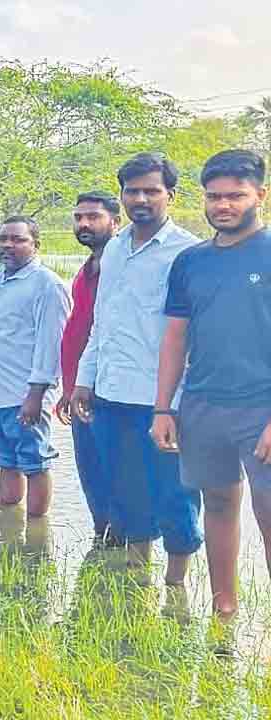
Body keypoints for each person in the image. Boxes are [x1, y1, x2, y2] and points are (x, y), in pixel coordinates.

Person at [72, 152, 202, 585]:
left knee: (175, 495)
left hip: (164, 403)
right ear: (122, 196)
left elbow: (193, 336)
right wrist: (83, 382)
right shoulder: (113, 251)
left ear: (171, 195)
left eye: (151, 190)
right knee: (126, 493)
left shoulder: (187, 253)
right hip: (111, 395)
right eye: (133, 190)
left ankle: (177, 586)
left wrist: (174, 406)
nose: (141, 198)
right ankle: (136, 578)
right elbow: (100, 323)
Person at [152, 149, 271, 619]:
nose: (224, 205)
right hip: (202, 404)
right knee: (218, 502)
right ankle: (225, 606)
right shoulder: (189, 262)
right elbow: (175, 337)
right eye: (215, 197)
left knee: (268, 512)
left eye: (236, 196)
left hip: (261, 407)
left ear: (260, 195)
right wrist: (164, 408)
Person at [0, 217, 71, 517]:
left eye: (18, 240)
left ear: (36, 245)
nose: (8, 245)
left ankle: (35, 539)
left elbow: (52, 345)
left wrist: (35, 394)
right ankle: (7, 533)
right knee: (6, 460)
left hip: (23, 395)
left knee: (35, 463)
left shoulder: (47, 285)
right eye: (3, 239)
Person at [56, 191, 120, 546]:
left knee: (116, 471)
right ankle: (103, 543)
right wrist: (68, 387)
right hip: (79, 389)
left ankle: (125, 548)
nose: (84, 224)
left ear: (116, 221)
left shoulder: (120, 266)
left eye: (93, 217)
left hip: (107, 388)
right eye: (79, 217)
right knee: (91, 470)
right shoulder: (86, 269)